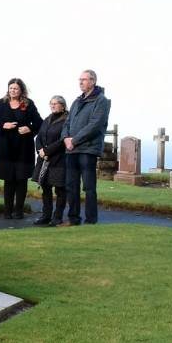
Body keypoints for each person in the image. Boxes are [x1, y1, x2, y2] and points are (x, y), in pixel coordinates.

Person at [0, 78, 43, 220]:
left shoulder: (28, 104)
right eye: (11, 88)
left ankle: (19, 211)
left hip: (24, 147)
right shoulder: (2, 103)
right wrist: (3, 126)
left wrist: (29, 129)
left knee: (21, 179)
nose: (13, 90)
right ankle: (7, 211)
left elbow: (39, 123)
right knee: (8, 180)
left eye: (15, 88)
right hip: (5, 147)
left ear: (21, 90)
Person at [61, 69, 111, 226]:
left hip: (88, 149)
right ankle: (73, 218)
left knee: (89, 187)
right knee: (71, 186)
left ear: (93, 81)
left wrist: (74, 140)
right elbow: (67, 123)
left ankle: (91, 220)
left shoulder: (101, 100)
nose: (81, 82)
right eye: (80, 79)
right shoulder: (77, 101)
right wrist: (65, 138)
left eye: (84, 79)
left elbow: (95, 125)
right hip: (71, 149)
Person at [33, 95, 69, 226]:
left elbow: (62, 140)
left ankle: (57, 217)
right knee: (46, 188)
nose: (53, 105)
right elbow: (39, 137)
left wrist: (47, 151)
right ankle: (46, 216)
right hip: (44, 159)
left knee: (60, 190)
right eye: (51, 103)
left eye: (56, 103)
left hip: (59, 159)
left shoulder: (67, 120)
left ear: (63, 106)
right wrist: (40, 151)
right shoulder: (47, 119)